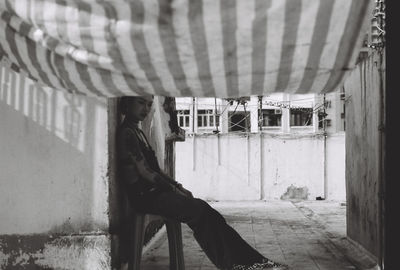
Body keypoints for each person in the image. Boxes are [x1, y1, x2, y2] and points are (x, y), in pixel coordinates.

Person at [117, 95, 289, 270]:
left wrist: (178, 187)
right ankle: (233, 265)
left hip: (157, 193)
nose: (145, 109)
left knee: (207, 211)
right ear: (127, 103)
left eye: (149, 104)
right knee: (199, 212)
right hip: (145, 197)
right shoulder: (127, 133)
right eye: (140, 103)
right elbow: (145, 173)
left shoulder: (138, 132)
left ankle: (252, 261)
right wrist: (173, 190)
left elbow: (157, 170)